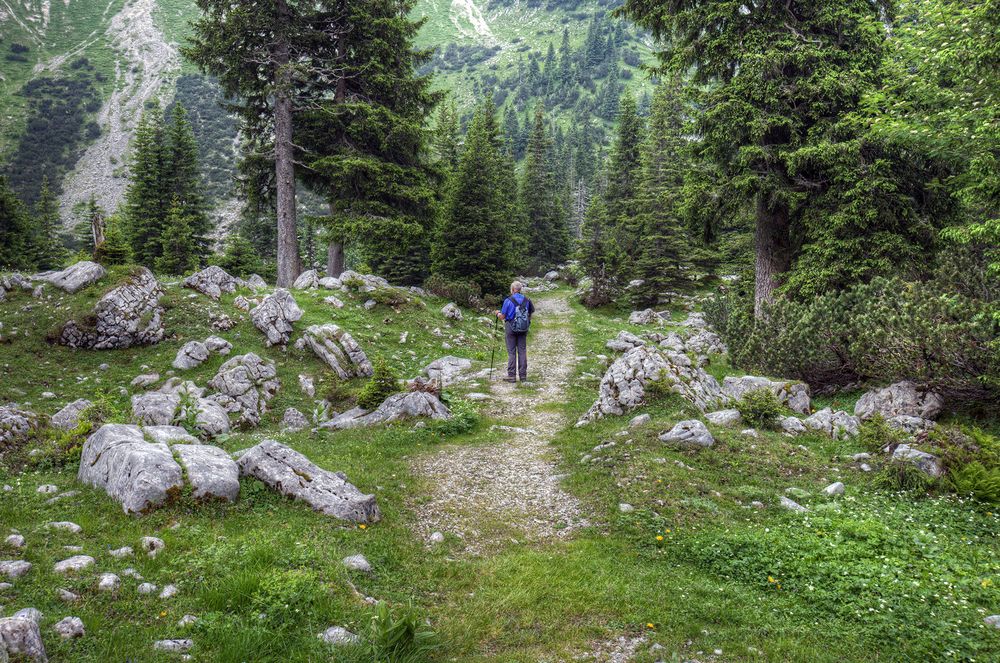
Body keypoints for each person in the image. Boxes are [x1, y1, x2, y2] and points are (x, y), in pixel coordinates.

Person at [495, 281, 535, 383]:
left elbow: (502, 317)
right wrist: (527, 324)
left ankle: (511, 376)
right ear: (520, 289)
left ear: (512, 289)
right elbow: (530, 313)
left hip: (510, 328)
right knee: (522, 351)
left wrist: (497, 313)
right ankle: (523, 377)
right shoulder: (527, 300)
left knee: (511, 352)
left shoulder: (508, 300)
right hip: (523, 328)